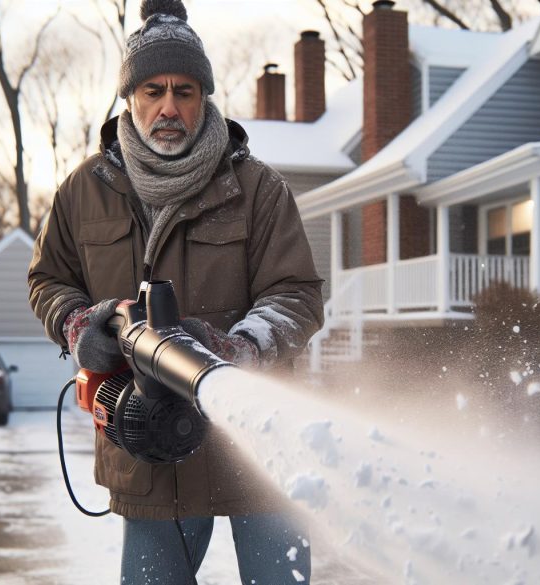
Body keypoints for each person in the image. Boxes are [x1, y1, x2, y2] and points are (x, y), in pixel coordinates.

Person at [26, 0, 324, 582]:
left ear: (204, 98)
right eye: (153, 90)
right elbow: (48, 278)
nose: (168, 106)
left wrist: (235, 351)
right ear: (130, 99)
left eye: (184, 91)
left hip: (257, 446)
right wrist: (80, 324)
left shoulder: (257, 189)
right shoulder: (84, 192)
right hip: (149, 443)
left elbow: (297, 295)